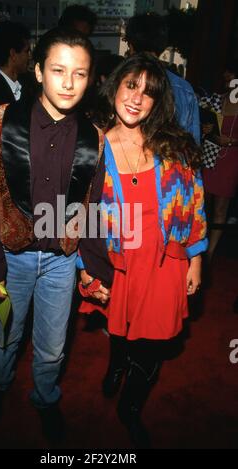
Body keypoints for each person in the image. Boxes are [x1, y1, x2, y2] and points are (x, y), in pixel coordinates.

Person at [0, 28, 105, 442]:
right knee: (4, 337)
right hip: (9, 259)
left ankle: (45, 398)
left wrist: (90, 267)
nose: (69, 82)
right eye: (58, 70)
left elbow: (92, 207)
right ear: (39, 71)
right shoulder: (4, 121)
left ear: (90, 79)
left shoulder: (95, 138)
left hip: (60, 263)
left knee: (53, 347)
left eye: (80, 73)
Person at [77, 53, 208, 448]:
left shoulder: (176, 145)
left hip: (165, 260)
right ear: (114, 86)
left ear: (158, 101)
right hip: (118, 260)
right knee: (121, 330)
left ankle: (129, 407)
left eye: (148, 92)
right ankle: (117, 360)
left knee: (152, 346)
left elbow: (194, 202)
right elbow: (76, 214)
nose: (137, 98)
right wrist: (86, 268)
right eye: (131, 85)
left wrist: (196, 258)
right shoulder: (90, 143)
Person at [124, 13, 200, 143]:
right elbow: (193, 142)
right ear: (162, 46)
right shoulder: (184, 88)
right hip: (173, 160)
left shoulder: (121, 80)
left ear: (131, 46)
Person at [200, 62, 238, 262]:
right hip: (211, 156)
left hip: (231, 160)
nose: (226, 76)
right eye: (226, 73)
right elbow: (205, 127)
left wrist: (230, 141)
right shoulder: (216, 100)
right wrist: (207, 130)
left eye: (230, 73)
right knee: (203, 203)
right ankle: (199, 244)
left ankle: (210, 253)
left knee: (221, 208)